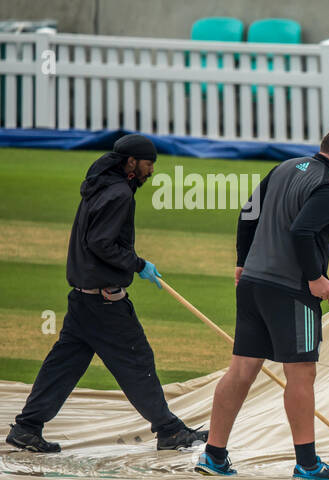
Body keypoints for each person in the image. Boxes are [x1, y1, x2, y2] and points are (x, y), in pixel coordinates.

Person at [6, 134, 207, 453]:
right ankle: (169, 430)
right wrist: (138, 263)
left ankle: (27, 427)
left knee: (63, 366)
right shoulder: (119, 194)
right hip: (105, 301)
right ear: (131, 162)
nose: (151, 170)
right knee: (137, 359)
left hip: (84, 298)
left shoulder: (100, 186)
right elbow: (101, 243)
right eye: (148, 163)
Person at [195, 126, 329, 480]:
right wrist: (315, 277)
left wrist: (242, 261)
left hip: (253, 283)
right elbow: (302, 232)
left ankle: (213, 455)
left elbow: (247, 212)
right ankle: (307, 464)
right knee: (302, 373)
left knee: (242, 369)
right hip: (291, 291)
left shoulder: (286, 167)